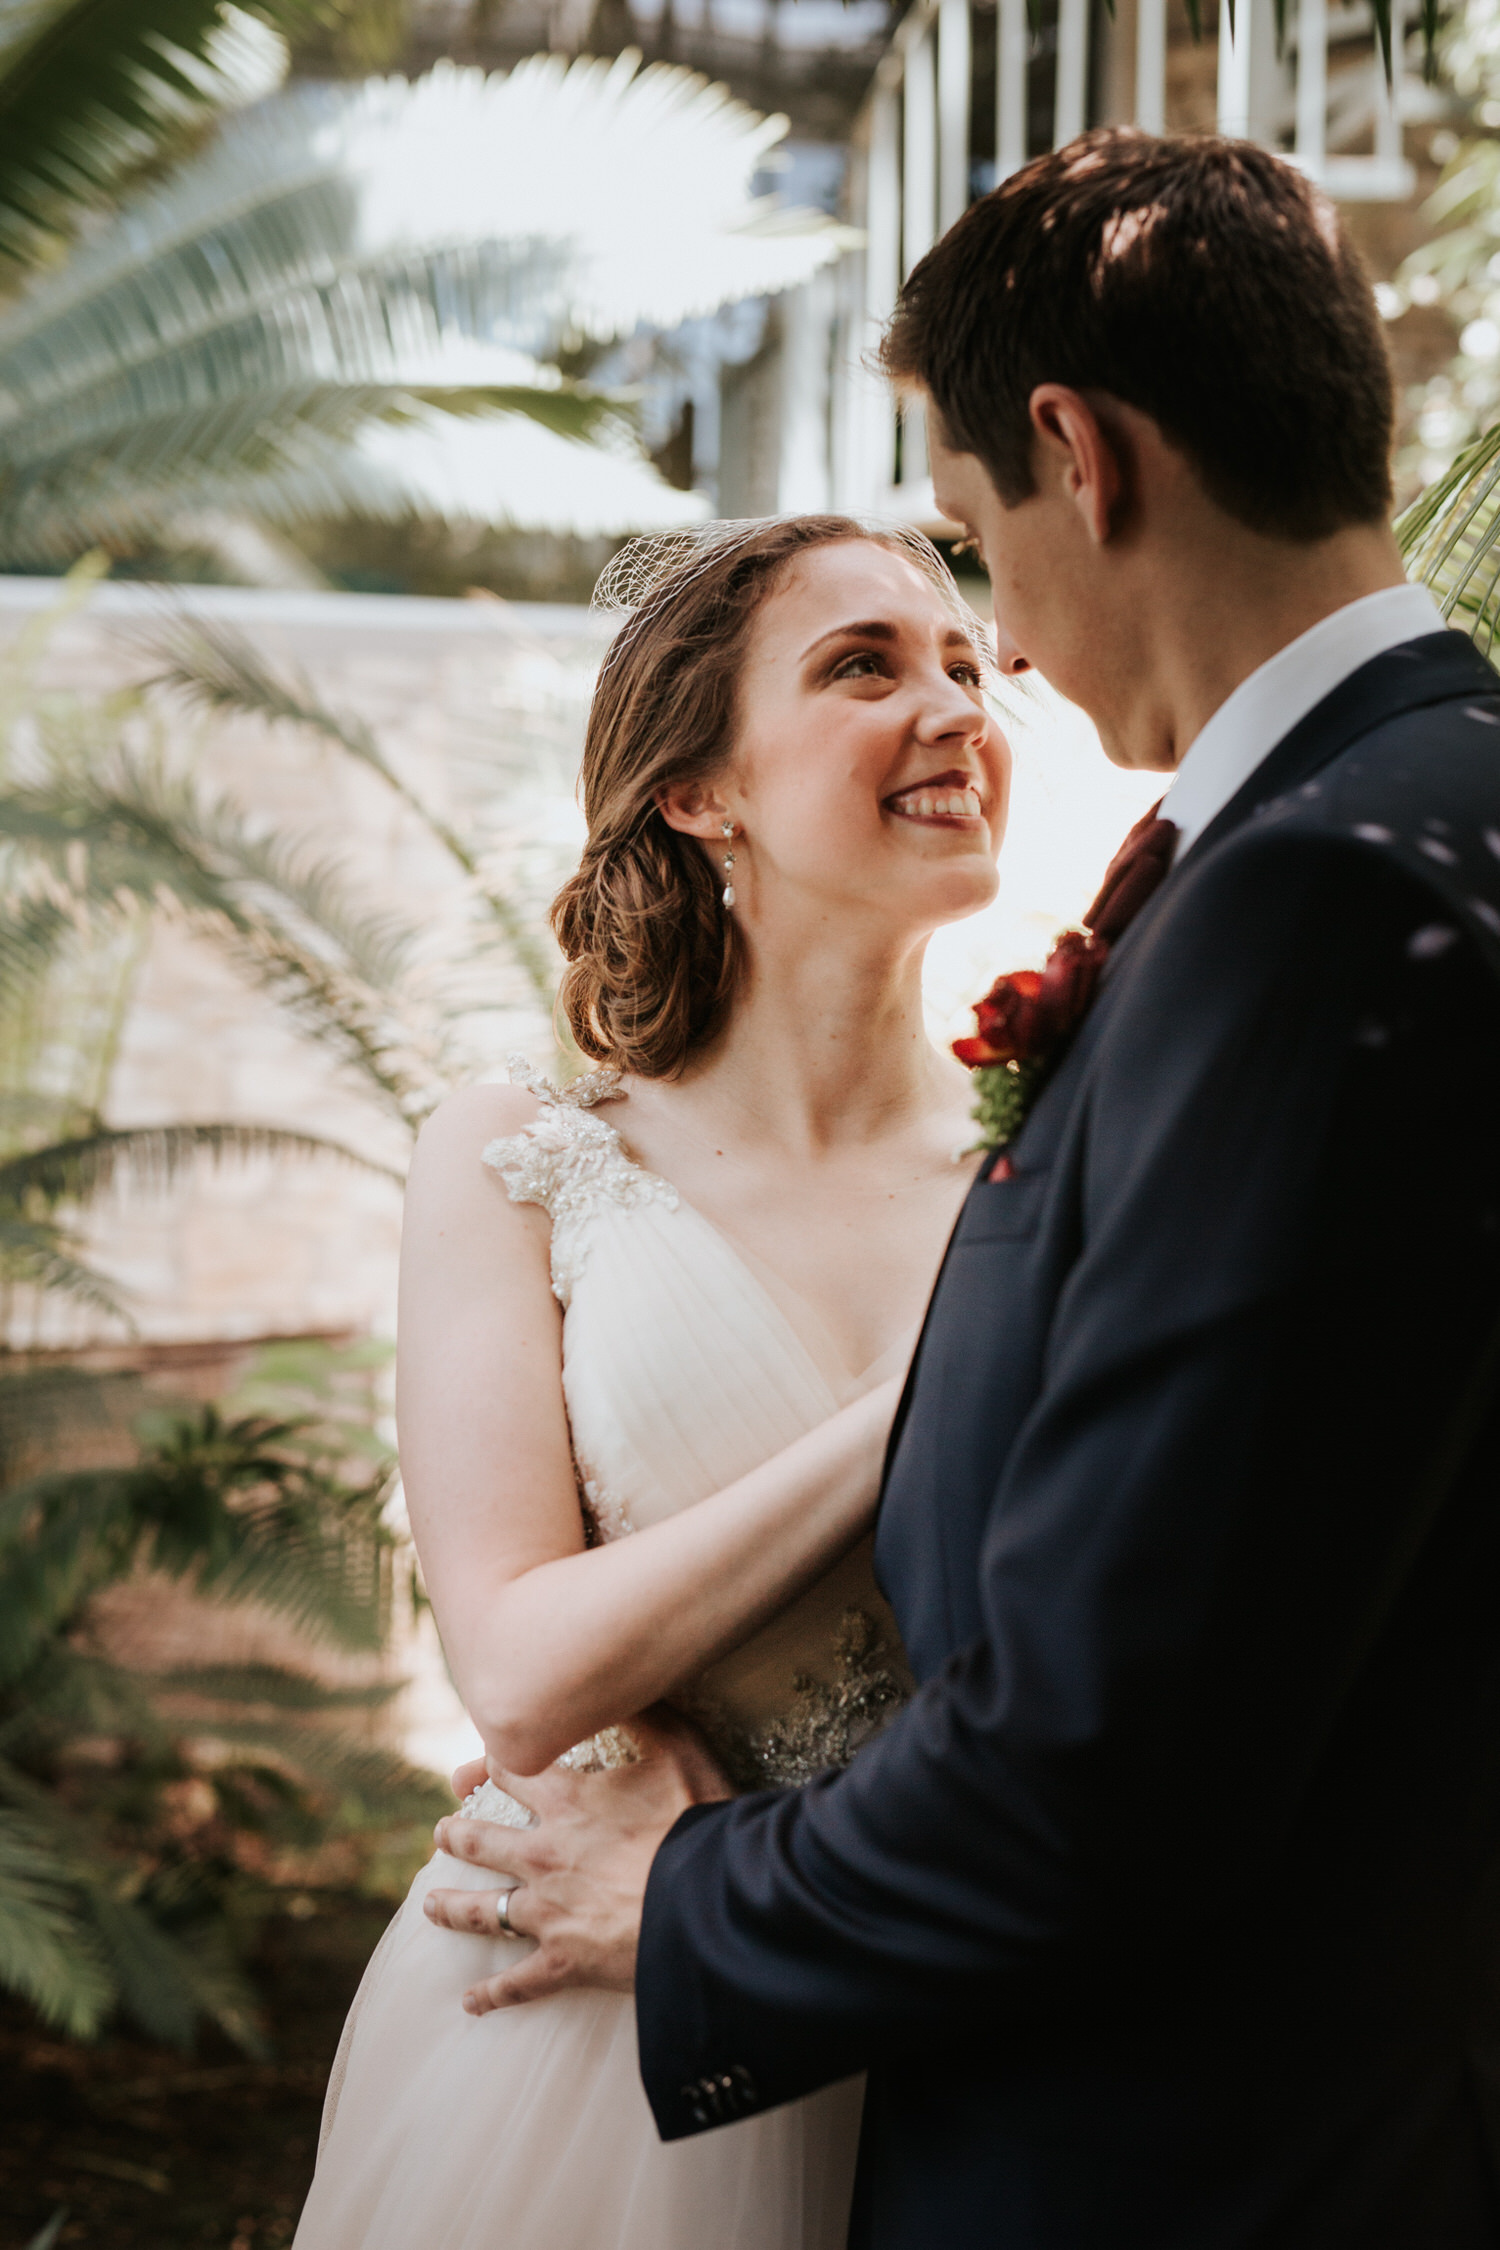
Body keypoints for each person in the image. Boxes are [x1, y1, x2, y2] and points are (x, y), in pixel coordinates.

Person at [427, 132, 1500, 2247]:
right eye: (866, 661)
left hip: (1110, 2096)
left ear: (1077, 458)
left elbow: (1123, 1727)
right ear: (698, 793)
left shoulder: (1309, 897)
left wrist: (693, 1891)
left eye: (971, 571)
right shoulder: (1379, 837)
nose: (985, 671)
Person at [291, 514, 1012, 2250]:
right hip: (583, 2034)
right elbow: (521, 1671)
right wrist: (916, 1399)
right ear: (700, 792)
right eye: (864, 666)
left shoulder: (1052, 1156)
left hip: (953, 2001)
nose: (956, 708)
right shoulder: (522, 1160)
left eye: (965, 662)